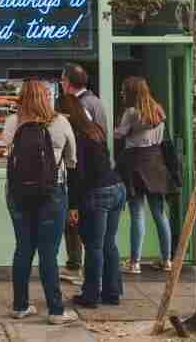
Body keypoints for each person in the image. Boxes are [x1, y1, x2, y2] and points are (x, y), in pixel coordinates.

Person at [4, 79, 78, 325]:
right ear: (46, 97)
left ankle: (20, 305)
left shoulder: (12, 122)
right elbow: (72, 160)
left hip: (17, 193)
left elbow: (5, 151)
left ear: (22, 98)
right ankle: (56, 311)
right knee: (49, 251)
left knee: (23, 247)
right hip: (52, 192)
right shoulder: (60, 122)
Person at [62, 93, 126, 308]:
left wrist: (72, 205)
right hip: (117, 187)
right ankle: (112, 292)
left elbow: (76, 174)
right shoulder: (95, 130)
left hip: (97, 192)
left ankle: (90, 295)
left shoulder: (76, 137)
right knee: (109, 243)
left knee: (93, 246)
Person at [115, 76, 173, 274]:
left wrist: (113, 131)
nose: (122, 93)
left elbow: (121, 134)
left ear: (132, 92)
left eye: (124, 89)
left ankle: (135, 262)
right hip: (155, 162)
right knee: (159, 214)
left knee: (137, 214)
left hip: (135, 163)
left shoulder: (131, 113)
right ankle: (167, 260)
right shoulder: (158, 110)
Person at [59, 63, 108, 275]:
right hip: (99, 171)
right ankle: (91, 273)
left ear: (67, 83)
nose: (61, 84)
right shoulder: (97, 101)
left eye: (62, 80)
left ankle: (76, 265)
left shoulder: (74, 105)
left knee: (75, 219)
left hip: (81, 171)